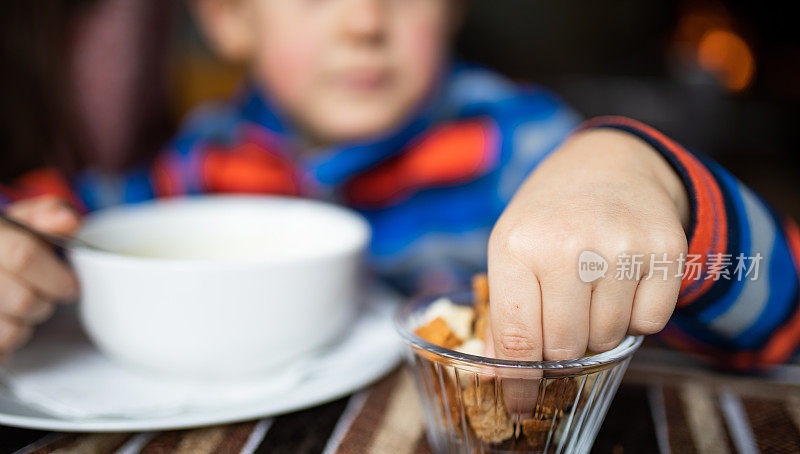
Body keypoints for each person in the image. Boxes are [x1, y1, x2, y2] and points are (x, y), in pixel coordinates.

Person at [0, 0, 798, 371]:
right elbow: (75, 222)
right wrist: (19, 244)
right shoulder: (204, 163)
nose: (361, 22)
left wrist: (649, 174)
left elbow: (773, 296)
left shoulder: (521, 148)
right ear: (230, 17)